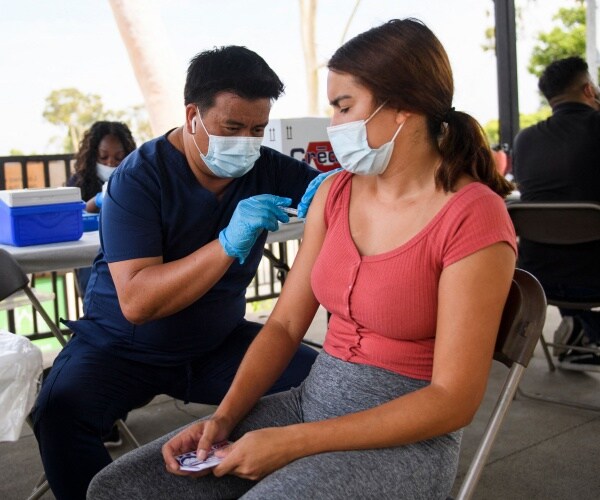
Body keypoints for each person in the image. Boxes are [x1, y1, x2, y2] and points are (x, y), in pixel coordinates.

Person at [87, 18, 517, 500]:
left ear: (401, 108)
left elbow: (452, 401)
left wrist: (291, 443)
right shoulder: (336, 192)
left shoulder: (473, 215)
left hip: (407, 437)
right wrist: (223, 419)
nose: (334, 124)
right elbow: (286, 327)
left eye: (343, 106)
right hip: (308, 405)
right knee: (121, 487)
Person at [32, 45, 326, 500]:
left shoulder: (265, 167)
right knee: (58, 411)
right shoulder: (137, 178)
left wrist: (338, 187)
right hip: (121, 347)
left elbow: (340, 189)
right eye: (232, 127)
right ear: (192, 115)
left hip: (216, 344)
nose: (247, 142)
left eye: (257, 129)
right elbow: (138, 302)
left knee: (328, 384)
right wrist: (228, 242)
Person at [512, 56, 600, 371]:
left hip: (539, 280)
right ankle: (588, 331)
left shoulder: (525, 139)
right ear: (589, 89)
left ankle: (580, 331)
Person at [66, 121, 137, 302]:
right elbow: (70, 216)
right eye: (103, 157)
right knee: (94, 297)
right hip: (90, 260)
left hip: (126, 253)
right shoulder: (79, 183)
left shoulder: (136, 179)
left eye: (118, 157)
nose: (110, 163)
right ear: (92, 156)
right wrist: (97, 200)